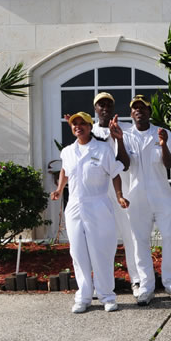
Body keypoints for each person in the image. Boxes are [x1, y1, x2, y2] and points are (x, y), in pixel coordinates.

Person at [50, 112, 129, 314]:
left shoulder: (103, 149)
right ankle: (83, 296)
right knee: (78, 252)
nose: (78, 127)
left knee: (101, 252)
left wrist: (119, 196)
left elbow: (115, 174)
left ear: (90, 126)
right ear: (71, 128)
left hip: (98, 204)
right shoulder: (68, 151)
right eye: (74, 124)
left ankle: (107, 296)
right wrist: (59, 189)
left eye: (82, 123)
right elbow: (64, 171)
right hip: (75, 206)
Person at [123, 95, 171, 305]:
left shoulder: (162, 132)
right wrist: (116, 140)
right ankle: (146, 286)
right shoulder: (125, 135)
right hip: (137, 194)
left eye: (143, 108)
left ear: (149, 112)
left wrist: (164, 144)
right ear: (131, 113)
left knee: (169, 237)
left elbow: (169, 163)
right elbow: (123, 164)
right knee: (140, 241)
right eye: (135, 108)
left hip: (161, 193)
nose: (139, 111)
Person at [90, 92, 138, 294]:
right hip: (98, 195)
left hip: (122, 192)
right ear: (95, 108)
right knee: (100, 240)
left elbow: (125, 165)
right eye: (101, 105)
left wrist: (117, 138)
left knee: (131, 236)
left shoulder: (125, 129)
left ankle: (137, 280)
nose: (105, 108)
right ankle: (102, 284)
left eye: (109, 105)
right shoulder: (89, 131)